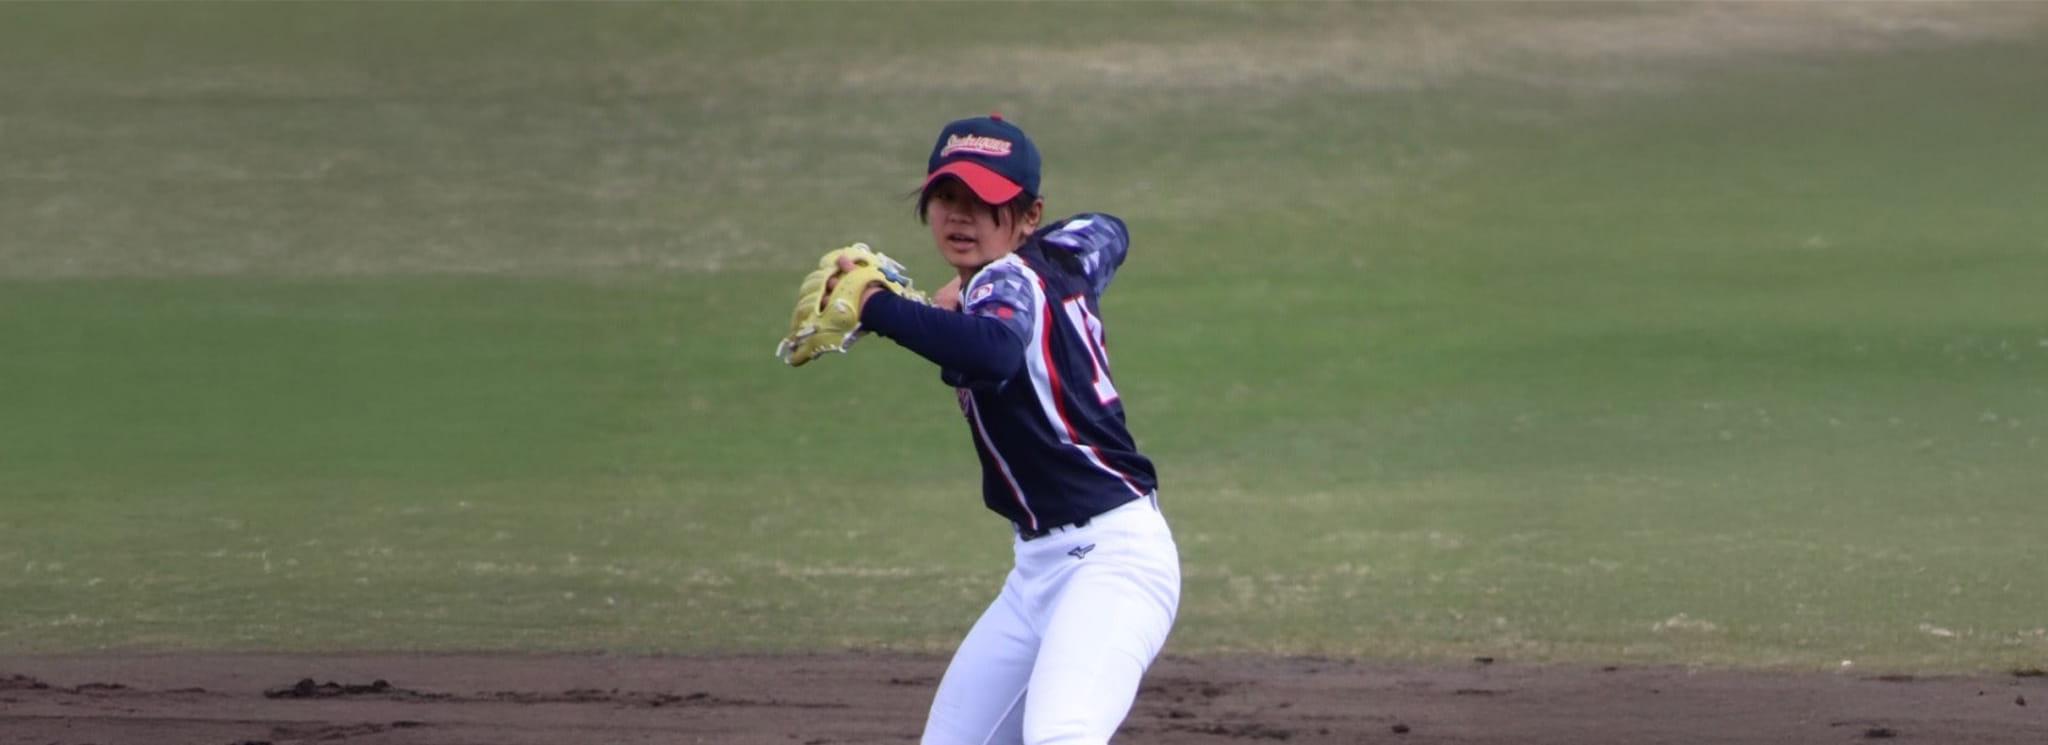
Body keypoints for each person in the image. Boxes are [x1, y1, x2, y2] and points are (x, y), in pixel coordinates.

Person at [838, 113, 1181, 745]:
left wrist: (876, 306)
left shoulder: (1004, 279)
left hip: (1111, 565)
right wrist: (972, 287)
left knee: (1062, 735)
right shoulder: (1061, 256)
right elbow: (1109, 228)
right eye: (946, 196)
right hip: (1037, 574)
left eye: (983, 201)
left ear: (1028, 214)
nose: (960, 216)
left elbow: (994, 350)